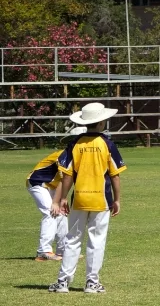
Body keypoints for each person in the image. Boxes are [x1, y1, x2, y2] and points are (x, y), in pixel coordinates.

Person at [49, 103, 126, 294]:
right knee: (96, 240)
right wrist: (117, 199)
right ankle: (92, 283)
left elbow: (67, 175)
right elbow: (115, 175)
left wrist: (62, 198)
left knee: (72, 239)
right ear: (101, 122)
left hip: (79, 199)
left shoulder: (75, 144)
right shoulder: (107, 144)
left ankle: (63, 282)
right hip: (101, 200)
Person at [27, 126, 84, 261]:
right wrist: (56, 202)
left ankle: (63, 251)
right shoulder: (64, 156)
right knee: (50, 212)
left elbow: (67, 181)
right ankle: (43, 252)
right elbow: (63, 180)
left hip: (52, 186)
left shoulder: (77, 157)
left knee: (61, 214)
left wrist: (61, 201)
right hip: (37, 183)